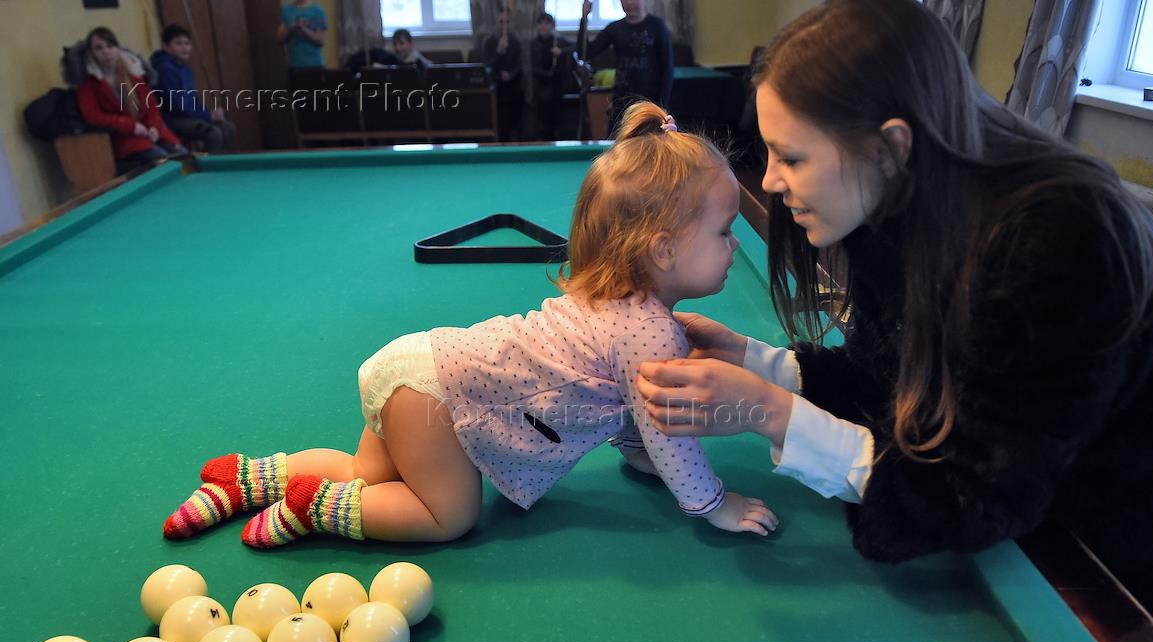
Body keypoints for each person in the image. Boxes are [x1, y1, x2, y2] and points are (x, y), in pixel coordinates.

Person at [634, 0, 1153, 642]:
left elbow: (973, 495)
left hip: (1137, 569)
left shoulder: (1064, 246)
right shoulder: (898, 202)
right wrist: (755, 362)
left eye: (791, 157)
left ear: (891, 147)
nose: (769, 182)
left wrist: (773, 414)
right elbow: (896, 382)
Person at [163, 102, 778, 548]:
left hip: (417, 365)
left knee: (366, 472)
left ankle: (247, 477)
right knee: (447, 516)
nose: (732, 245)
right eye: (725, 231)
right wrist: (712, 503)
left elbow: (621, 405)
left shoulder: (613, 304)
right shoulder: (650, 331)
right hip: (437, 402)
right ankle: (317, 510)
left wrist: (638, 454)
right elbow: (668, 431)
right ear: (664, 250)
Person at [68, 27, 187, 164]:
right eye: (99, 48)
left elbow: (152, 107)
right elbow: (93, 117)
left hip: (149, 131)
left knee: (184, 156)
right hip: (123, 137)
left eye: (110, 46)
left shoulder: (134, 73)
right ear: (91, 53)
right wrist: (130, 125)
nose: (106, 52)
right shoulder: (87, 84)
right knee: (162, 159)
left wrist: (153, 126)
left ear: (118, 49)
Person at [578, 0, 673, 134]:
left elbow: (667, 69)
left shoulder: (657, 26)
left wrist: (663, 106)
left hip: (650, 102)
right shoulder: (615, 28)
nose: (629, 3)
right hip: (621, 101)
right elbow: (585, 52)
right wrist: (584, 19)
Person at [151, 25, 237, 153]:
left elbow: (192, 99)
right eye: (178, 43)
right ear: (166, 46)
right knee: (214, 134)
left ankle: (225, 162)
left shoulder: (184, 68)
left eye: (187, 43)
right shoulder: (165, 70)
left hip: (187, 115)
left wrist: (210, 113)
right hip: (171, 119)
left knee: (228, 128)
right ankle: (206, 164)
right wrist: (208, 116)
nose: (184, 48)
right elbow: (177, 106)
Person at [482, 8, 523, 141]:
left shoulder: (515, 41)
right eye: (501, 22)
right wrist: (499, 52)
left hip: (512, 84)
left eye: (507, 22)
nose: (504, 25)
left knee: (517, 96)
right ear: (496, 22)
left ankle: (514, 136)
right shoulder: (489, 42)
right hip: (495, 84)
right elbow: (487, 68)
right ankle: (497, 137)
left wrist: (510, 74)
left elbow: (518, 65)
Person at [531, 12, 570, 141]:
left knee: (557, 119)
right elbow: (535, 67)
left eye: (546, 23)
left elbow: (576, 46)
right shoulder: (534, 43)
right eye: (540, 23)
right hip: (542, 85)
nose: (543, 26)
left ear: (552, 26)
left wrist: (561, 51)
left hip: (557, 86)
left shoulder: (558, 41)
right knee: (544, 118)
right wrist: (548, 74)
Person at [277, 0, 327, 69]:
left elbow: (321, 41)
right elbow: (279, 39)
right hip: (293, 64)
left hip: (315, 64)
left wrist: (304, 29)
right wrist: (290, 27)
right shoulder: (286, 10)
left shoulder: (318, 10)